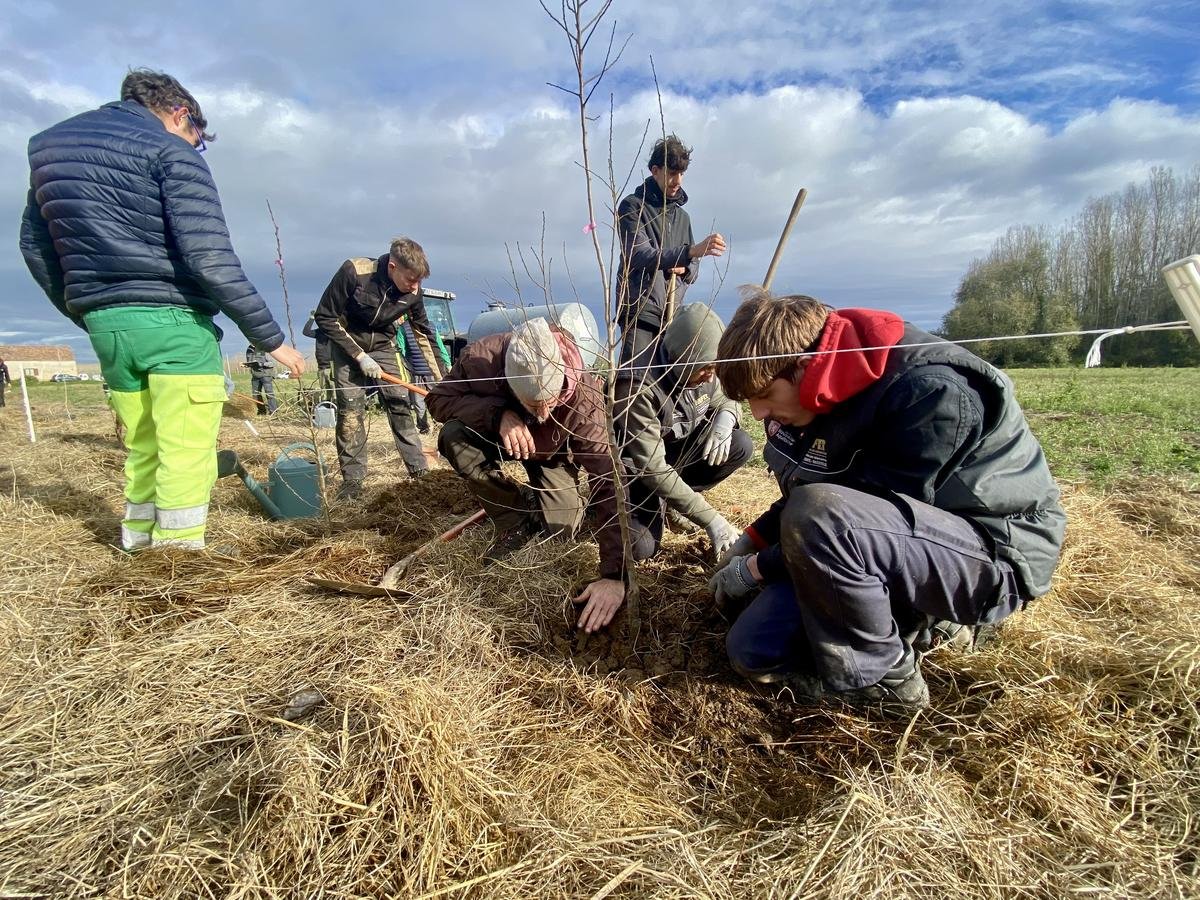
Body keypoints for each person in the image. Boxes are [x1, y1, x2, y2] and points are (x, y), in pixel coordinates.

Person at [711, 289, 1066, 712]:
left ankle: (887, 681)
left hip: (988, 554)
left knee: (819, 525)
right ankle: (915, 624)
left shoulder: (928, 390)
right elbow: (822, 496)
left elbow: (852, 520)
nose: (757, 413)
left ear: (806, 367)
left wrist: (755, 569)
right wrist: (754, 538)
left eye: (764, 394)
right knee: (756, 650)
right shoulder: (827, 387)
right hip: (882, 542)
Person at [19, 68, 305, 551]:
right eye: (198, 138)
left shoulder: (50, 148)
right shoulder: (170, 151)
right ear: (181, 114)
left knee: (143, 447)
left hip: (108, 329)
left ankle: (136, 545)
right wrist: (271, 339)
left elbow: (35, 246)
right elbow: (209, 257)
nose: (197, 148)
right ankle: (177, 559)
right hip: (174, 324)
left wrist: (86, 312)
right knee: (186, 450)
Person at [426, 318, 626, 633]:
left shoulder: (585, 396)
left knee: (560, 532)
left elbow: (607, 479)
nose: (544, 414)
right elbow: (436, 400)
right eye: (534, 405)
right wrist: (497, 415)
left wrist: (615, 574)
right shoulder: (482, 360)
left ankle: (540, 500)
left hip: (553, 456)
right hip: (499, 436)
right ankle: (512, 521)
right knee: (453, 436)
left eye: (551, 402)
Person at [613, 303, 751, 562]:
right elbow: (653, 469)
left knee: (740, 444)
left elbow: (725, 398)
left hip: (675, 454)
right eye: (705, 369)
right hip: (638, 472)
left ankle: (678, 503)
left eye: (714, 369)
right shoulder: (638, 386)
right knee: (640, 549)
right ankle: (666, 504)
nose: (710, 378)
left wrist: (727, 417)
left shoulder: (702, 367)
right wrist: (712, 519)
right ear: (681, 357)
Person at [312, 239, 446, 500]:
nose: (415, 287)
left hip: (384, 346)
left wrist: (441, 381)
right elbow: (325, 317)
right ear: (393, 266)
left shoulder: (413, 292)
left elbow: (423, 334)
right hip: (347, 346)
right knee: (351, 413)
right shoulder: (354, 272)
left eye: (419, 281)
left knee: (400, 404)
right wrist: (359, 356)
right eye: (410, 279)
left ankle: (420, 472)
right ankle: (352, 482)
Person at [615, 134, 726, 365]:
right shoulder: (632, 206)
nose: (678, 181)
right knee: (636, 383)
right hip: (639, 312)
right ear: (655, 170)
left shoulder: (683, 218)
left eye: (682, 173)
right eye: (672, 173)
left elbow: (693, 269)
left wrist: (685, 269)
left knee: (668, 386)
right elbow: (637, 254)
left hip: (671, 317)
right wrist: (689, 252)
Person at [397, 316, 450, 434]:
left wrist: (448, 364)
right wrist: (448, 364)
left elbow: (402, 351)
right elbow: (440, 348)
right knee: (424, 401)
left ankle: (431, 427)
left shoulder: (404, 328)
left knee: (422, 401)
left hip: (425, 372)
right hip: (428, 371)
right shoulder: (406, 328)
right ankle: (428, 427)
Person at [302, 309, 335, 405]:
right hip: (321, 367)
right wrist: (311, 318)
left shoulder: (333, 332)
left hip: (332, 366)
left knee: (334, 391)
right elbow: (306, 332)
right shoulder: (318, 332)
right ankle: (326, 409)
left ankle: (335, 409)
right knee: (324, 391)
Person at [244, 344, 278, 415]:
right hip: (255, 375)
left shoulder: (264, 348)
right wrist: (246, 365)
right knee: (255, 394)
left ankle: (273, 412)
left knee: (269, 394)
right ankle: (261, 411)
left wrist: (262, 364)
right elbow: (250, 361)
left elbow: (273, 363)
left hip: (266, 375)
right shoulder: (249, 349)